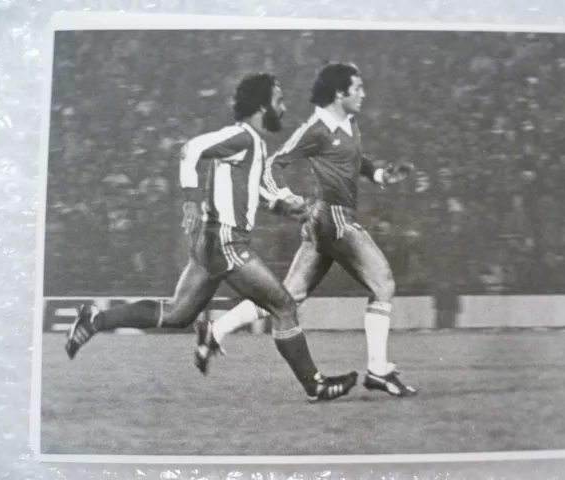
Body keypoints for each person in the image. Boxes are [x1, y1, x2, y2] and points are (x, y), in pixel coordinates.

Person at [64, 72, 359, 403]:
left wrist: (286, 206)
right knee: (284, 306)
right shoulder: (242, 138)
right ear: (262, 106)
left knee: (177, 315)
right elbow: (190, 149)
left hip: (212, 242)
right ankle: (314, 384)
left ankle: (95, 319)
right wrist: (189, 199)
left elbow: (253, 194)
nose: (284, 107)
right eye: (278, 101)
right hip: (227, 242)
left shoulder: (253, 144)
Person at [197, 63, 417, 398]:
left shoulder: (348, 123)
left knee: (287, 296)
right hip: (334, 219)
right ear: (339, 93)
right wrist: (286, 198)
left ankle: (216, 330)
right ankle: (378, 369)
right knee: (383, 284)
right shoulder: (315, 128)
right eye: (357, 88)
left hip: (323, 223)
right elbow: (274, 163)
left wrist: (381, 175)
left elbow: (355, 160)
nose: (363, 94)